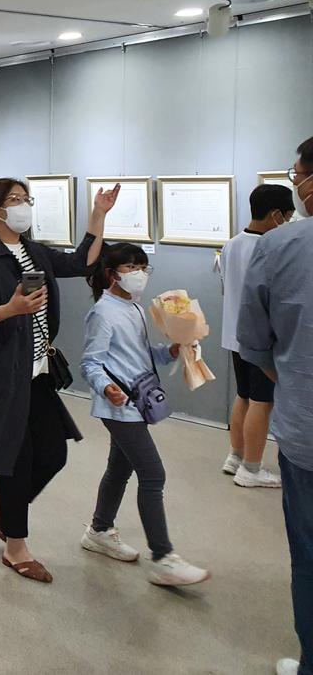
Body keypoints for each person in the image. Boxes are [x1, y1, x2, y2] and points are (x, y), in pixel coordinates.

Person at [0, 177, 117, 583]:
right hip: (3, 375)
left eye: (27, 199)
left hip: (36, 370)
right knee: (17, 461)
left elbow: (81, 263)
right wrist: (9, 309)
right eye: (15, 200)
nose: (24, 206)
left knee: (53, 453)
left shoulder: (32, 251)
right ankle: (16, 547)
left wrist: (98, 214)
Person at [78, 242, 209, 586]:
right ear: (112, 275)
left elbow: (140, 353)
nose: (139, 274)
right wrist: (106, 387)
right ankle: (163, 558)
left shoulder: (134, 307)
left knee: (119, 469)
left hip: (137, 400)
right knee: (153, 475)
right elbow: (90, 362)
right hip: (118, 406)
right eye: (131, 267)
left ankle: (99, 530)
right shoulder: (103, 313)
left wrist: (170, 351)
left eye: (142, 267)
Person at [237, 136, 313, 675]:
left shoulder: (282, 246)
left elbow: (256, 342)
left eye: (297, 174)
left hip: (305, 429)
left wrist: (288, 377)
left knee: (308, 554)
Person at [220, 183, 295, 488]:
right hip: (260, 339)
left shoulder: (231, 244)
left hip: (234, 335)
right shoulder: (272, 247)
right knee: (262, 402)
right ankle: (251, 469)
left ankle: (235, 455)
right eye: (288, 216)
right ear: (276, 215)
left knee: (244, 396)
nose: (289, 223)